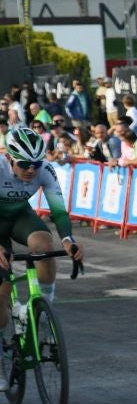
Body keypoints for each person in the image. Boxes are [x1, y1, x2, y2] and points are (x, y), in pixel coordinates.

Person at [0, 128, 83, 337]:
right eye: (24, 164)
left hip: (20, 216)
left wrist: (67, 239)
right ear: (9, 157)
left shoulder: (45, 169)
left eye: (36, 164)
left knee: (45, 245)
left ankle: (42, 310)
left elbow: (58, 209)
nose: (31, 170)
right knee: (1, 312)